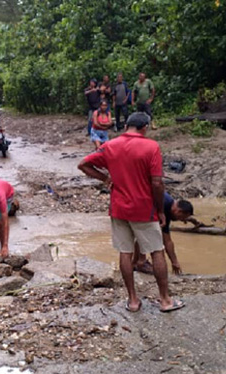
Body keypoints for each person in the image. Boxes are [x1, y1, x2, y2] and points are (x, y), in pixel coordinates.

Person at [78, 112, 184, 313]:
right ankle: (165, 300)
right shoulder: (151, 147)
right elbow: (157, 182)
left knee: (125, 253)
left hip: (118, 209)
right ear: (145, 127)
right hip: (144, 209)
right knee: (157, 251)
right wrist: (161, 209)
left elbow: (83, 164)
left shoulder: (110, 146)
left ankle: (133, 301)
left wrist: (104, 179)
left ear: (127, 125)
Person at [133, 192, 194, 275]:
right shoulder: (164, 204)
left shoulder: (168, 208)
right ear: (179, 211)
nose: (180, 220)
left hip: (137, 206)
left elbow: (167, 239)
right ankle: (139, 262)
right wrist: (174, 262)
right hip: (135, 205)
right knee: (148, 233)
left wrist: (174, 261)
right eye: (181, 218)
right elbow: (164, 240)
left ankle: (136, 262)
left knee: (149, 233)